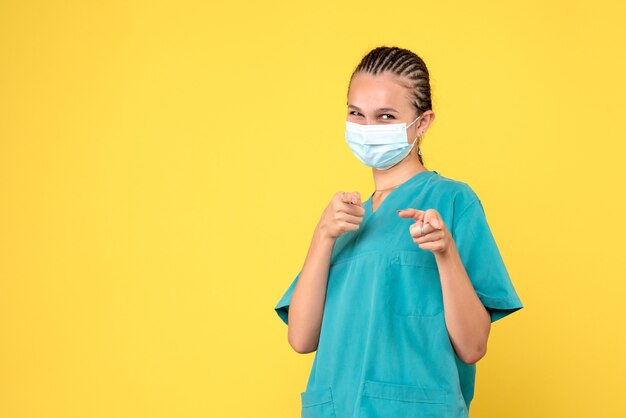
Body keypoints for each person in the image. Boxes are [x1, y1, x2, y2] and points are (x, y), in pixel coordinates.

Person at [274, 46, 524, 418]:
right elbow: (301, 339)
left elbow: (472, 346)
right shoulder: (343, 221)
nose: (367, 129)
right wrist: (322, 236)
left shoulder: (452, 202)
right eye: (356, 114)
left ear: (422, 123)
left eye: (386, 116)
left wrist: (445, 253)